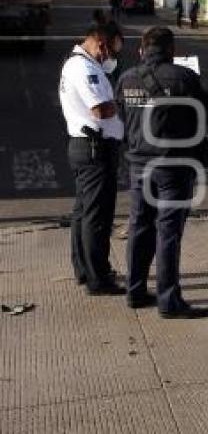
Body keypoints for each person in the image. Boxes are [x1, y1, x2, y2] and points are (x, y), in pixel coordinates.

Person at [116, 26, 208, 318]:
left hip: (138, 164)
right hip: (173, 165)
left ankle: (134, 292)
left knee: (139, 226)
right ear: (172, 50)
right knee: (169, 232)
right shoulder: (184, 77)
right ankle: (169, 301)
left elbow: (122, 118)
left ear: (142, 49)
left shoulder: (126, 78)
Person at [59, 24, 125, 295]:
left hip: (86, 147)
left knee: (84, 213)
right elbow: (101, 109)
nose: (111, 58)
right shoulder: (84, 69)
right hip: (95, 149)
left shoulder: (79, 63)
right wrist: (126, 102)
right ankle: (99, 278)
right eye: (111, 51)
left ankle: (85, 270)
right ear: (100, 43)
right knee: (97, 217)